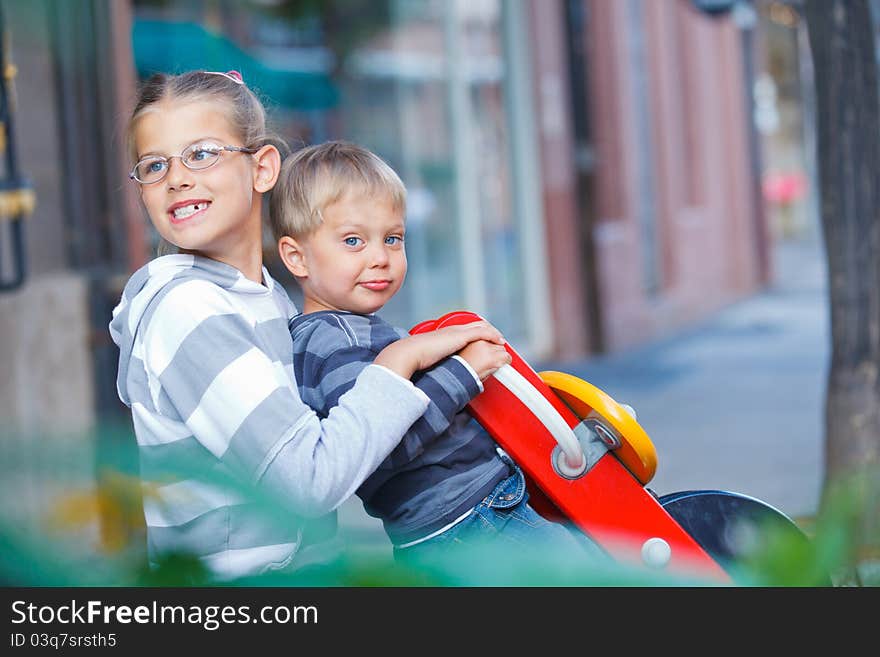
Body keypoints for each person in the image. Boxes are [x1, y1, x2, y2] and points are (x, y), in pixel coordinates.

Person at [108, 70, 510, 581]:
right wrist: (400, 361)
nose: (177, 177)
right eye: (154, 164)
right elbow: (308, 480)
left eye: (202, 153)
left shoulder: (265, 300)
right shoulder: (188, 310)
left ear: (262, 168)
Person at [270, 140, 605, 568]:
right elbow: (379, 445)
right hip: (465, 522)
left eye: (392, 239)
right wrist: (465, 373)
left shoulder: (354, 331)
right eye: (353, 241)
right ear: (296, 257)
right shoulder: (331, 343)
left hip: (470, 517)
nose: (380, 258)